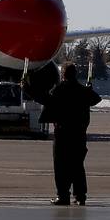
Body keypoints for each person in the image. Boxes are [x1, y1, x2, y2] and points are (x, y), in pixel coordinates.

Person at [25, 62, 102, 206]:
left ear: (63, 75)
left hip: (63, 133)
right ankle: (80, 196)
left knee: (61, 167)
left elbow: (44, 99)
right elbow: (96, 99)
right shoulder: (82, 91)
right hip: (79, 134)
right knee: (77, 166)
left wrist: (27, 88)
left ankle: (63, 195)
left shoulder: (59, 90)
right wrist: (88, 90)